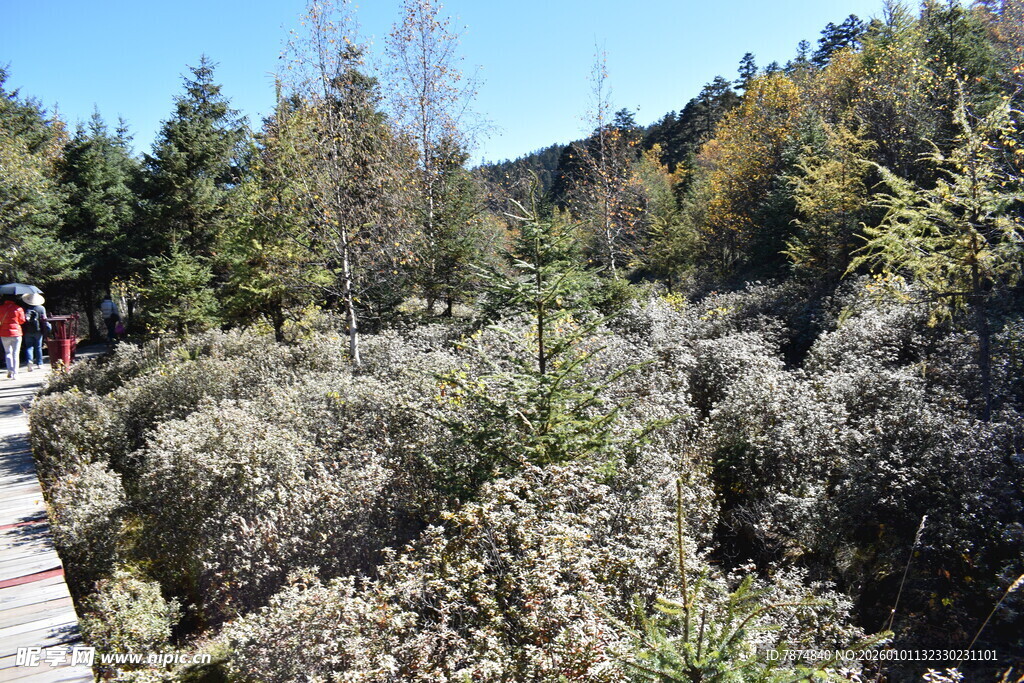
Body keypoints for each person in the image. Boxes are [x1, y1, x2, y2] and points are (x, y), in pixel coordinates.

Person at [0, 295, 26, 379]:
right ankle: (15, 373)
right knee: (15, 353)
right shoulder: (18, 308)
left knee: (8, 352)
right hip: (16, 333)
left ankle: (9, 370)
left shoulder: (1, 308)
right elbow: (22, 321)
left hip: (4, 333)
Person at [20, 293, 48, 372]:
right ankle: (39, 363)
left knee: (29, 347)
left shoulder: (25, 309)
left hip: (27, 331)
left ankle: (29, 361)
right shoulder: (41, 308)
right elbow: (44, 319)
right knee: (38, 347)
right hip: (38, 330)